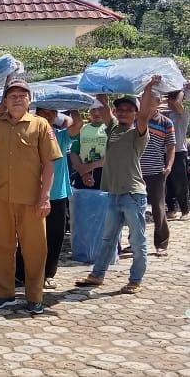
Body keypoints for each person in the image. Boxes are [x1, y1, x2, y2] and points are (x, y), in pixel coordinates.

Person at [0, 80, 61, 315]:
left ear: (29, 100)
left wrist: (44, 197)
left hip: (32, 201)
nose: (16, 99)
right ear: (4, 100)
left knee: (35, 249)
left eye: (22, 95)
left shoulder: (41, 125)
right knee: (0, 247)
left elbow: (49, 164)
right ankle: (4, 294)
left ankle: (34, 297)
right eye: (12, 95)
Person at [75, 77, 160, 294]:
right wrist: (99, 83)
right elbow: (103, 105)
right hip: (113, 194)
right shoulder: (112, 128)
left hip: (133, 194)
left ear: (134, 114)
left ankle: (135, 279)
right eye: (120, 109)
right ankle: (97, 275)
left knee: (138, 240)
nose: (122, 113)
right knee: (107, 238)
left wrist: (149, 87)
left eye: (128, 110)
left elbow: (144, 114)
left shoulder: (138, 133)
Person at [15, 109, 83, 291]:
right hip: (30, 194)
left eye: (50, 113)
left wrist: (69, 108)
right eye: (42, 113)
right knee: (26, 236)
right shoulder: (29, 134)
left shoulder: (59, 136)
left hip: (57, 195)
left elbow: (77, 124)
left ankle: (48, 274)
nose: (46, 116)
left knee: (54, 237)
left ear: (55, 115)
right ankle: (19, 274)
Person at [139, 105, 174, 257]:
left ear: (158, 102)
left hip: (156, 172)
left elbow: (171, 146)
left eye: (150, 101)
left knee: (158, 208)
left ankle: (161, 243)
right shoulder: (138, 119)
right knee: (135, 208)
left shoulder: (166, 122)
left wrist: (169, 166)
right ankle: (135, 242)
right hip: (136, 171)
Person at [164, 89, 189, 221]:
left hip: (179, 151)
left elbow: (179, 103)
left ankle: (185, 210)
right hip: (164, 152)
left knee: (180, 183)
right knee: (168, 183)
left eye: (172, 98)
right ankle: (171, 209)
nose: (171, 101)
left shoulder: (183, 112)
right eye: (169, 98)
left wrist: (182, 90)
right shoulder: (164, 113)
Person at [70, 106, 108, 190]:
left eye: (99, 109)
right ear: (89, 111)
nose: (96, 113)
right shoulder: (82, 129)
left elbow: (113, 156)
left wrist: (89, 167)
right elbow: (74, 152)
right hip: (82, 173)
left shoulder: (110, 129)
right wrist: (83, 173)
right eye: (93, 109)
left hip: (105, 174)